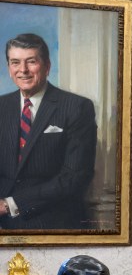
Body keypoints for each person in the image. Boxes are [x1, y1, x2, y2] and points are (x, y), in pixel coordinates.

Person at [0, 33, 97, 230]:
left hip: (54, 221)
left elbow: (74, 177)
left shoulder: (77, 107)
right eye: (15, 62)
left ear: (47, 66)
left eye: (31, 61)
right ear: (9, 68)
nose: (23, 70)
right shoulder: (2, 106)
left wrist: (10, 204)